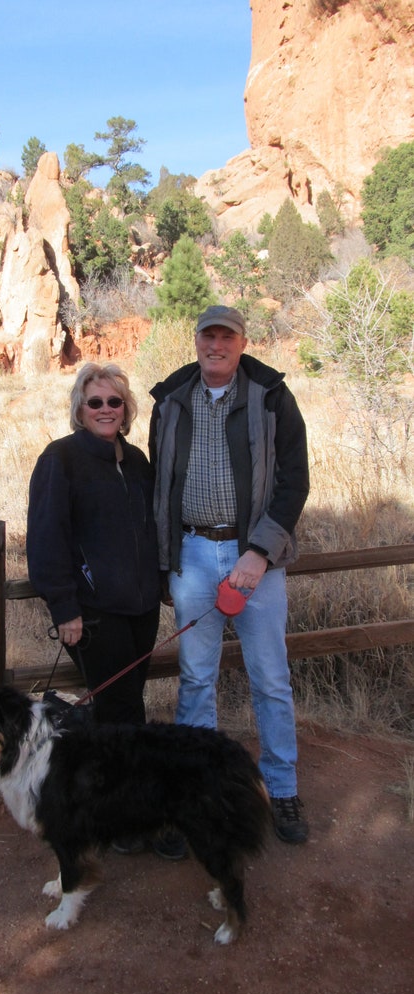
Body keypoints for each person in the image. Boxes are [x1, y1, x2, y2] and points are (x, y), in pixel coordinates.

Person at [149, 305, 311, 844]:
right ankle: (198, 794)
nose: (216, 345)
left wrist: (259, 553)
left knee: (270, 679)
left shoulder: (271, 398)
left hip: (253, 562)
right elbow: (159, 486)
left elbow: (294, 483)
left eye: (227, 337)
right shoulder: (171, 400)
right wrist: (164, 559)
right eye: (208, 336)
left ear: (243, 342)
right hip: (194, 554)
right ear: (195, 340)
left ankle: (282, 791)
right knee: (197, 678)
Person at [27, 363, 184, 858]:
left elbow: (154, 527)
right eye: (94, 402)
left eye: (114, 402)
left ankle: (114, 804)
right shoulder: (61, 459)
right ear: (79, 407)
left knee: (128, 706)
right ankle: (125, 821)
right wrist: (65, 607)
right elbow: (47, 538)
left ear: (126, 408)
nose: (105, 410)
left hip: (140, 607)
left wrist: (161, 583)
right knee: (119, 711)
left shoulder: (136, 460)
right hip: (94, 611)